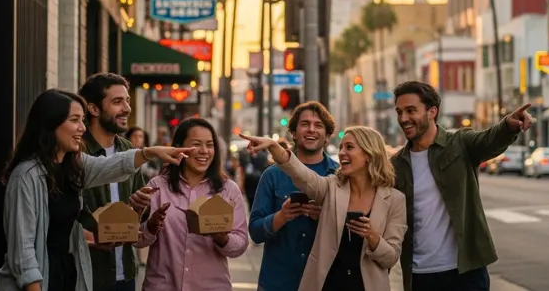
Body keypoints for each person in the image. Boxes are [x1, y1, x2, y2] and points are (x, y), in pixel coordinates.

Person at [0, 89, 194, 291]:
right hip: (36, 283)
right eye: (74, 120)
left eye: (83, 120)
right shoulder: (25, 176)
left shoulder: (73, 166)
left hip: (66, 275)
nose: (82, 128)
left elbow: (110, 166)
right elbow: (22, 251)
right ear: (51, 124)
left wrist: (150, 152)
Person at [390, 81, 533, 291]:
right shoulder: (397, 165)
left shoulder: (459, 143)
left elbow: (488, 140)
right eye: (399, 112)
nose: (403, 119)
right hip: (419, 276)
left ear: (432, 111)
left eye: (411, 110)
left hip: (465, 273)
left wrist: (507, 126)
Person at [241, 126, 407, 291]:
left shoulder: (395, 200)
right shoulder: (331, 187)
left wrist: (372, 237)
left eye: (349, 147)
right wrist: (274, 146)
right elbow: (301, 174)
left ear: (369, 155)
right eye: (341, 147)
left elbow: (391, 258)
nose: (342, 153)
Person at [137, 118, 249, 291]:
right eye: (196, 144)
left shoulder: (228, 190)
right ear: (179, 147)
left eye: (210, 145)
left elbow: (240, 244)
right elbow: (137, 240)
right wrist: (151, 226)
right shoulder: (157, 186)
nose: (204, 151)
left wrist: (222, 238)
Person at [248, 101, 339, 291]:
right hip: (278, 281)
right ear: (294, 133)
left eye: (318, 125)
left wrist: (324, 216)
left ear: (328, 136)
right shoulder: (272, 175)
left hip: (324, 282)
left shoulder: (340, 176)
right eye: (304, 124)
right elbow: (255, 232)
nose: (311, 130)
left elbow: (351, 233)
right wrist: (281, 217)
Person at [78, 73, 152, 291]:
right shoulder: (77, 150)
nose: (127, 108)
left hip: (126, 273)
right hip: (88, 274)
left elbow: (138, 212)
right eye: (117, 101)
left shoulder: (129, 149)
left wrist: (142, 207)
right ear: (93, 109)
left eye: (127, 101)